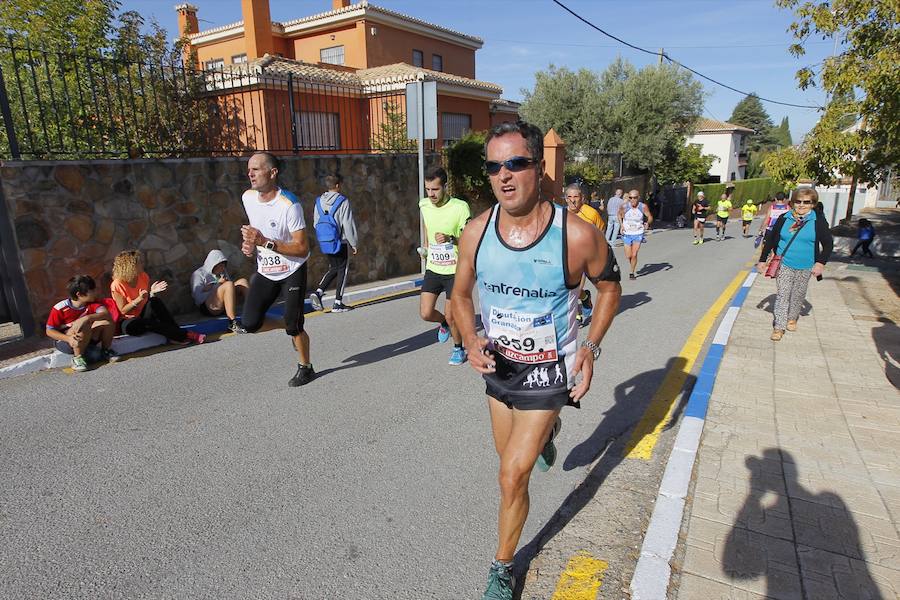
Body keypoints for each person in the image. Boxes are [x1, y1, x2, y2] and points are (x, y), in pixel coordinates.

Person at [454, 120, 622, 600]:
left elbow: (610, 287)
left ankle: (502, 567)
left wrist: (590, 347)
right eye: (494, 167)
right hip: (500, 366)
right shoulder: (476, 232)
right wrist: (469, 338)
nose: (503, 176)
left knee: (512, 474)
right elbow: (460, 297)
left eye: (516, 163)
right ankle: (548, 433)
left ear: (540, 168)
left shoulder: (578, 236)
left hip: (552, 369)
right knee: (507, 460)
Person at [239, 152, 315, 387]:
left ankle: (306, 367)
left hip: (292, 268)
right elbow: (255, 231)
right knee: (249, 323)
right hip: (266, 270)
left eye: (256, 169)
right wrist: (250, 245)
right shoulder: (248, 198)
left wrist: (264, 242)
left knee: (295, 325)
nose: (250, 174)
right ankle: (290, 323)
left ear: (272, 173)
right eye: (249, 169)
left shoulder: (289, 205)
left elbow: (302, 248)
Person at [757, 188, 833, 341]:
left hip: (806, 265)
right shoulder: (784, 218)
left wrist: (820, 263)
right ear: (792, 203)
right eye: (798, 201)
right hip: (784, 263)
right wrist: (762, 260)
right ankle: (779, 327)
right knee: (783, 294)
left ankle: (792, 317)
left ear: (813, 204)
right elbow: (771, 239)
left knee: (798, 294)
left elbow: (828, 244)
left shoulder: (818, 221)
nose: (801, 205)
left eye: (806, 202)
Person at [418, 166, 471, 366]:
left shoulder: (460, 207)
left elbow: (468, 238)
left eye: (435, 189)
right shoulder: (423, 205)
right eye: (428, 189)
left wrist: (451, 238)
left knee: (452, 314)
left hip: (455, 271)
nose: (431, 194)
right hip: (434, 267)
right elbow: (427, 223)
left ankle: (459, 348)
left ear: (445, 187)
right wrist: (426, 244)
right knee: (425, 313)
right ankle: (443, 324)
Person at [111, 250, 204, 345]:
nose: (143, 264)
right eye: (140, 263)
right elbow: (123, 310)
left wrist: (152, 293)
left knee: (154, 301)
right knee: (145, 322)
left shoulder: (143, 276)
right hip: (128, 322)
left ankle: (176, 336)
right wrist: (138, 299)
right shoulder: (117, 284)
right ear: (130, 267)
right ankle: (184, 335)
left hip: (142, 314)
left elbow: (146, 300)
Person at [45, 275, 119, 371]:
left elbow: (106, 314)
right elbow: (49, 331)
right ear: (79, 294)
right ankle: (77, 358)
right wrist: (68, 339)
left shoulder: (92, 303)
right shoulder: (60, 308)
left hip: (86, 336)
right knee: (84, 327)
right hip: (66, 341)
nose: (95, 292)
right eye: (92, 291)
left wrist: (86, 318)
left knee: (107, 322)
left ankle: (105, 351)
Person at [309, 174, 359, 313]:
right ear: (337, 185)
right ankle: (338, 303)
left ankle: (319, 292)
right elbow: (347, 223)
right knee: (342, 269)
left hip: (325, 241)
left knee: (334, 267)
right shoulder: (343, 201)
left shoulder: (319, 201)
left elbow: (315, 223)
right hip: (340, 241)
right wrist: (353, 242)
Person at [565, 183, 605, 323]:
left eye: (576, 196)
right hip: (565, 257)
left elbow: (601, 231)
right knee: (570, 289)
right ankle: (585, 298)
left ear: (582, 198)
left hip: (584, 257)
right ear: (565, 199)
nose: (572, 200)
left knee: (574, 289)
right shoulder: (562, 214)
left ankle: (576, 315)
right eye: (569, 197)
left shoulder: (591, 213)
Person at [190, 249, 249, 333]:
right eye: (220, 265)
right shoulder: (198, 274)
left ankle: (253, 312)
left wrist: (221, 285)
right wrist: (216, 285)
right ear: (213, 264)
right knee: (228, 284)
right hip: (209, 307)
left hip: (224, 304)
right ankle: (232, 323)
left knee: (242, 281)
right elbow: (198, 299)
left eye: (224, 265)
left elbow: (229, 288)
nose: (223, 268)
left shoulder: (222, 272)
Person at [618, 189, 653, 280]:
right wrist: (621, 225)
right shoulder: (625, 206)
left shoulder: (643, 207)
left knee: (634, 254)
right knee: (628, 255)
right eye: (630, 198)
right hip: (627, 233)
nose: (632, 200)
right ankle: (632, 263)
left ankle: (632, 272)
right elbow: (619, 215)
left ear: (638, 198)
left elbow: (649, 216)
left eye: (635, 198)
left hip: (638, 233)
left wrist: (648, 223)